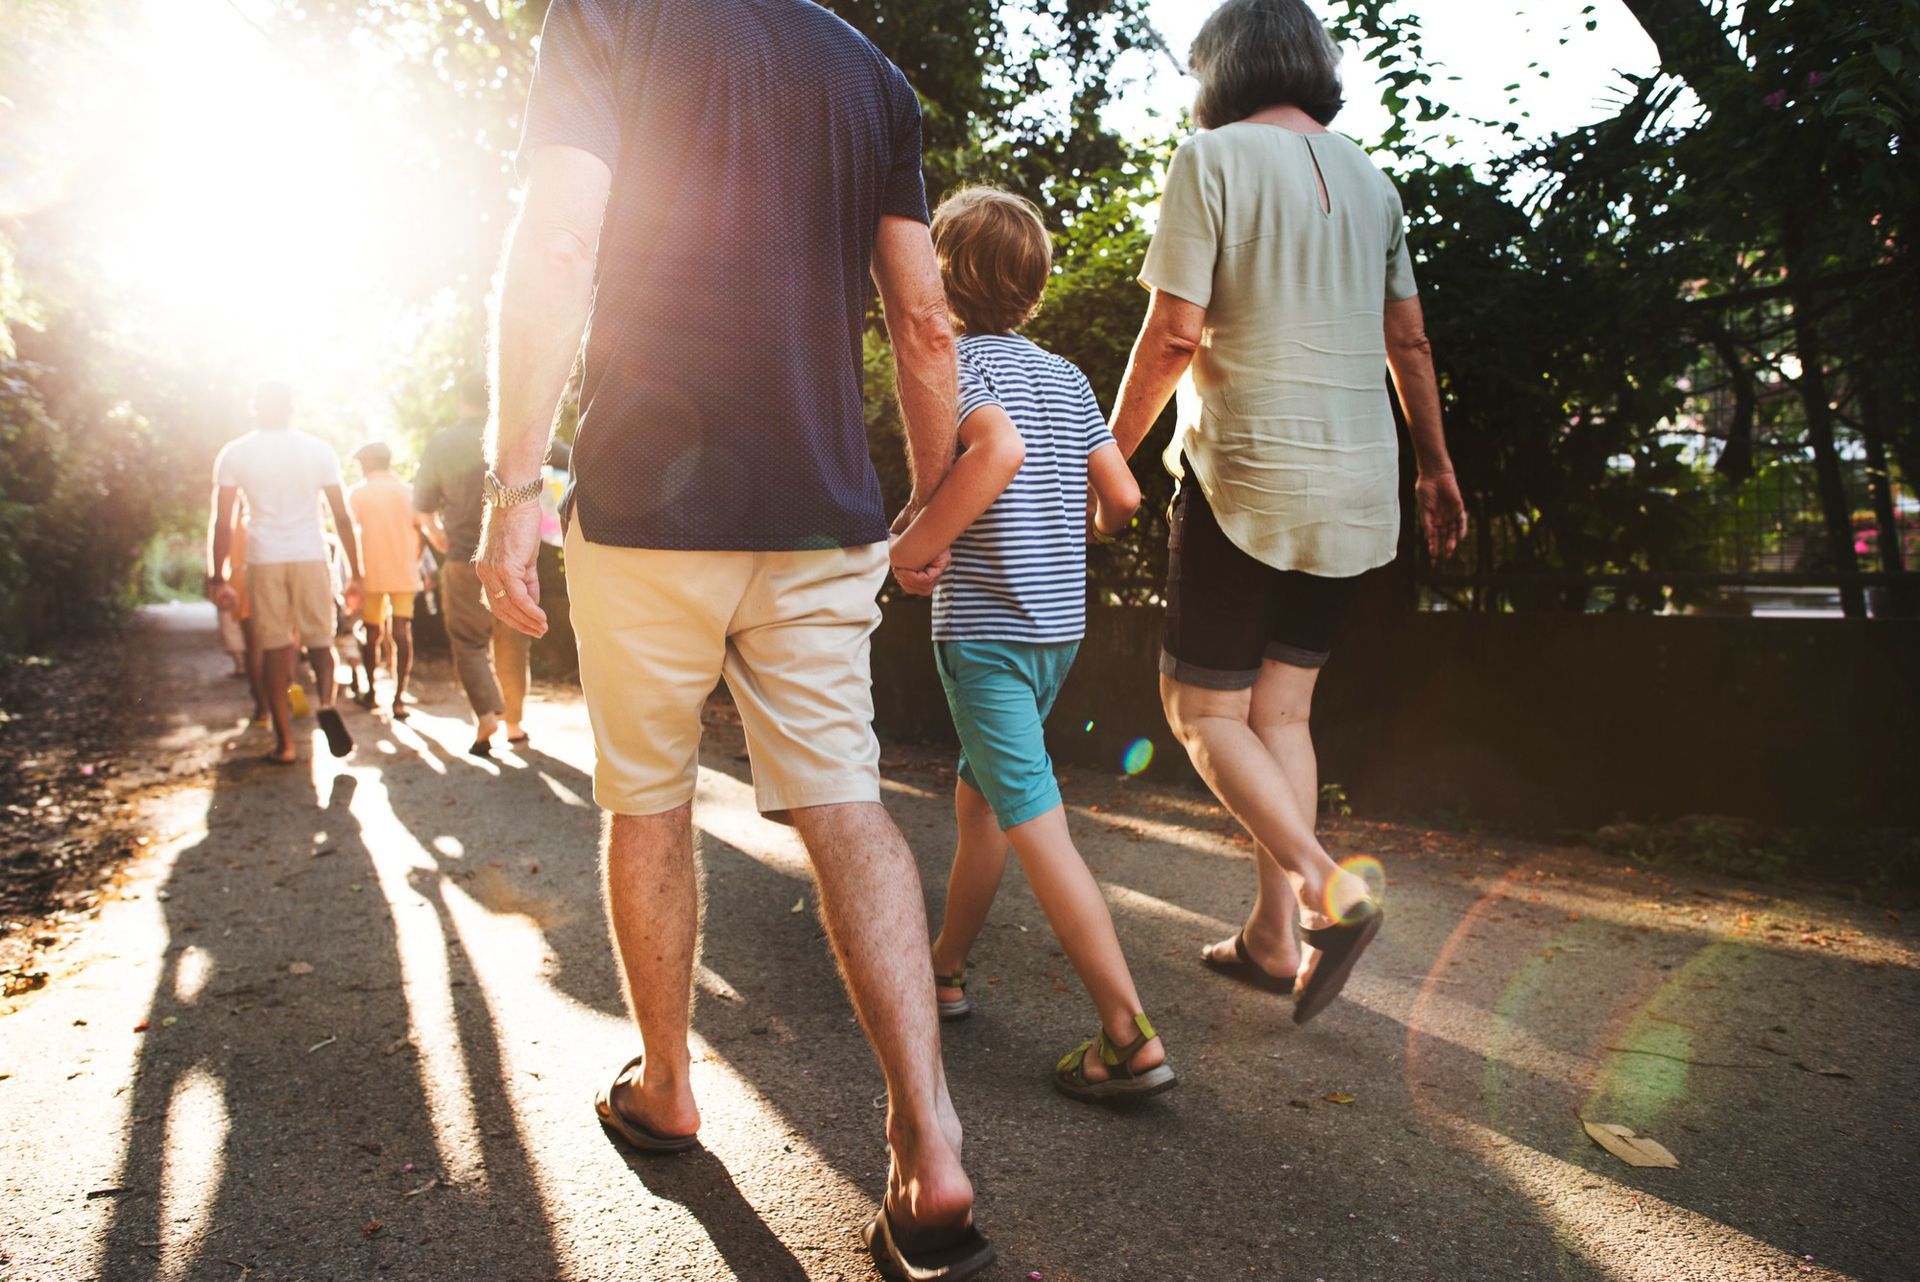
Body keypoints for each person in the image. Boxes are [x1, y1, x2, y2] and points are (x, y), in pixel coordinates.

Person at [476, 3, 990, 1278]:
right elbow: (926, 320)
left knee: (645, 798)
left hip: (647, 507)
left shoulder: (606, 18)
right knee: (844, 801)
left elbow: (559, 237)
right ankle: (931, 1149)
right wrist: (926, 503)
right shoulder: (867, 72)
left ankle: (667, 1087)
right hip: (821, 511)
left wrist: (510, 491)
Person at [1106, 0, 1467, 1024]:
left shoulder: (1210, 158)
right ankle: (1271, 938)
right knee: (1282, 712)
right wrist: (1435, 470)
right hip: (1357, 480)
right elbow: (1412, 344)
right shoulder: (1370, 177)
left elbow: (1175, 331)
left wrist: (1106, 453)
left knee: (1201, 711)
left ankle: (1323, 885)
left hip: (1247, 473)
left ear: (1219, 70)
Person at [890, 188, 1169, 1102]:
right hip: (1058, 634)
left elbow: (994, 456)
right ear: (1036, 286)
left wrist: (914, 549)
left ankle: (1127, 1036)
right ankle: (945, 968)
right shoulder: (1068, 378)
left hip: (987, 639)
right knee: (985, 807)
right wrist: (1066, 533)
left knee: (1035, 823)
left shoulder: (956, 364)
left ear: (946, 274)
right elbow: (1123, 500)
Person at [205, 380, 360, 764]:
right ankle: (325, 703)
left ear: (253, 407)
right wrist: (357, 572)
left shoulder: (235, 453)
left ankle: (286, 745)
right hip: (310, 554)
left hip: (264, 558)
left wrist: (217, 575)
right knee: (320, 643)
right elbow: (342, 516)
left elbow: (222, 522)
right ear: (292, 407)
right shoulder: (318, 450)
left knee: (274, 650)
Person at [414, 375, 534, 755]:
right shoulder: (514, 436)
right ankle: (514, 724)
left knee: (468, 642)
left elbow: (422, 510)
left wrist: (440, 540)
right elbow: (565, 462)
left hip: (463, 558)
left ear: (461, 402)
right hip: (515, 557)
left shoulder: (442, 444)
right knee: (513, 636)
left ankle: (486, 716)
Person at [346, 441, 422, 720]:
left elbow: (349, 535)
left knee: (372, 632)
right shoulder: (408, 492)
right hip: (403, 570)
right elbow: (421, 530)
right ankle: (399, 698)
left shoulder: (358, 493)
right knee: (402, 632)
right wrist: (414, 560)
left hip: (371, 572)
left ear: (367, 463)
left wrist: (353, 575)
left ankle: (372, 692)